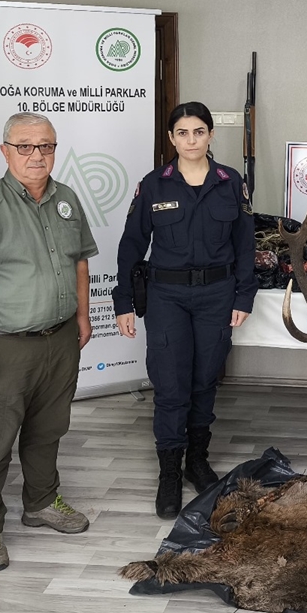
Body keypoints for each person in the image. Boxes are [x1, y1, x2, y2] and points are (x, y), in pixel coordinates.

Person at [0, 112, 97, 571]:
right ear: (6, 150)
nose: (37, 155)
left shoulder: (66, 198)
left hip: (61, 338)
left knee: (48, 430)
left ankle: (41, 503)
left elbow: (80, 263)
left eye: (46, 146)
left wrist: (83, 316)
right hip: (7, 346)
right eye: (26, 146)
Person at [112, 101, 257, 520]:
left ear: (211, 135)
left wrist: (243, 297)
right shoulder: (154, 184)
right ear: (171, 138)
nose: (191, 139)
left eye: (199, 131)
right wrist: (123, 301)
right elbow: (131, 245)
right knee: (171, 385)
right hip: (167, 297)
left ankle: (197, 460)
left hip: (216, 295)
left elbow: (245, 244)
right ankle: (170, 474)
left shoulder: (231, 183)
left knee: (204, 381)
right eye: (182, 133)